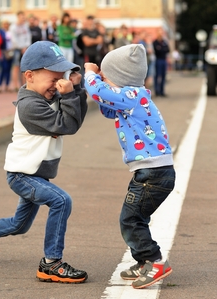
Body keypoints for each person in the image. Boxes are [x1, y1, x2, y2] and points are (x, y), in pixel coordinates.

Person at [0, 40, 89, 283]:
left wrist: (77, 90)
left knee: (19, 224)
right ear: (30, 76)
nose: (58, 85)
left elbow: (74, 119)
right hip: (22, 175)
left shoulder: (48, 96)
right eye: (53, 79)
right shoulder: (30, 105)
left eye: (62, 78)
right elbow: (68, 125)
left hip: (34, 174)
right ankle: (51, 263)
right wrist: (70, 94)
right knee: (61, 201)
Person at [83, 44, 175, 289]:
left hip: (152, 174)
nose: (102, 79)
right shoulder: (132, 98)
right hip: (153, 172)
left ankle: (155, 261)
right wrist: (101, 81)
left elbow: (96, 92)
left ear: (120, 77)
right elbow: (106, 108)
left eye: (106, 76)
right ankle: (144, 260)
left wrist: (90, 73)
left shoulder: (132, 96)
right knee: (136, 218)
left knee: (130, 220)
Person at [9, 11, 31, 91]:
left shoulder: (25, 26)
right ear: (18, 17)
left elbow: (28, 37)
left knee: (24, 68)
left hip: (25, 49)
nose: (23, 19)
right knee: (16, 67)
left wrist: (26, 47)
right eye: (22, 17)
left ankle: (24, 85)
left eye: (24, 17)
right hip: (17, 49)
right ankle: (15, 86)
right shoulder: (13, 27)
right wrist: (21, 47)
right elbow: (14, 39)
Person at [152, 29, 170, 97]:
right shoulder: (155, 42)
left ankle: (162, 91)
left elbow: (168, 50)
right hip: (158, 60)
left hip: (163, 60)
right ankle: (157, 91)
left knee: (163, 76)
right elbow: (157, 50)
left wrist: (161, 49)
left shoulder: (164, 42)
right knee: (157, 76)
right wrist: (162, 49)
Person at [0, 19, 14, 92]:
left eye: (7, 24)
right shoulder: (0, 32)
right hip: (3, 51)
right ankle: (0, 84)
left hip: (10, 51)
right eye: (4, 24)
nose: (6, 25)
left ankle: (7, 85)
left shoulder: (11, 32)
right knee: (4, 68)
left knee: (9, 69)